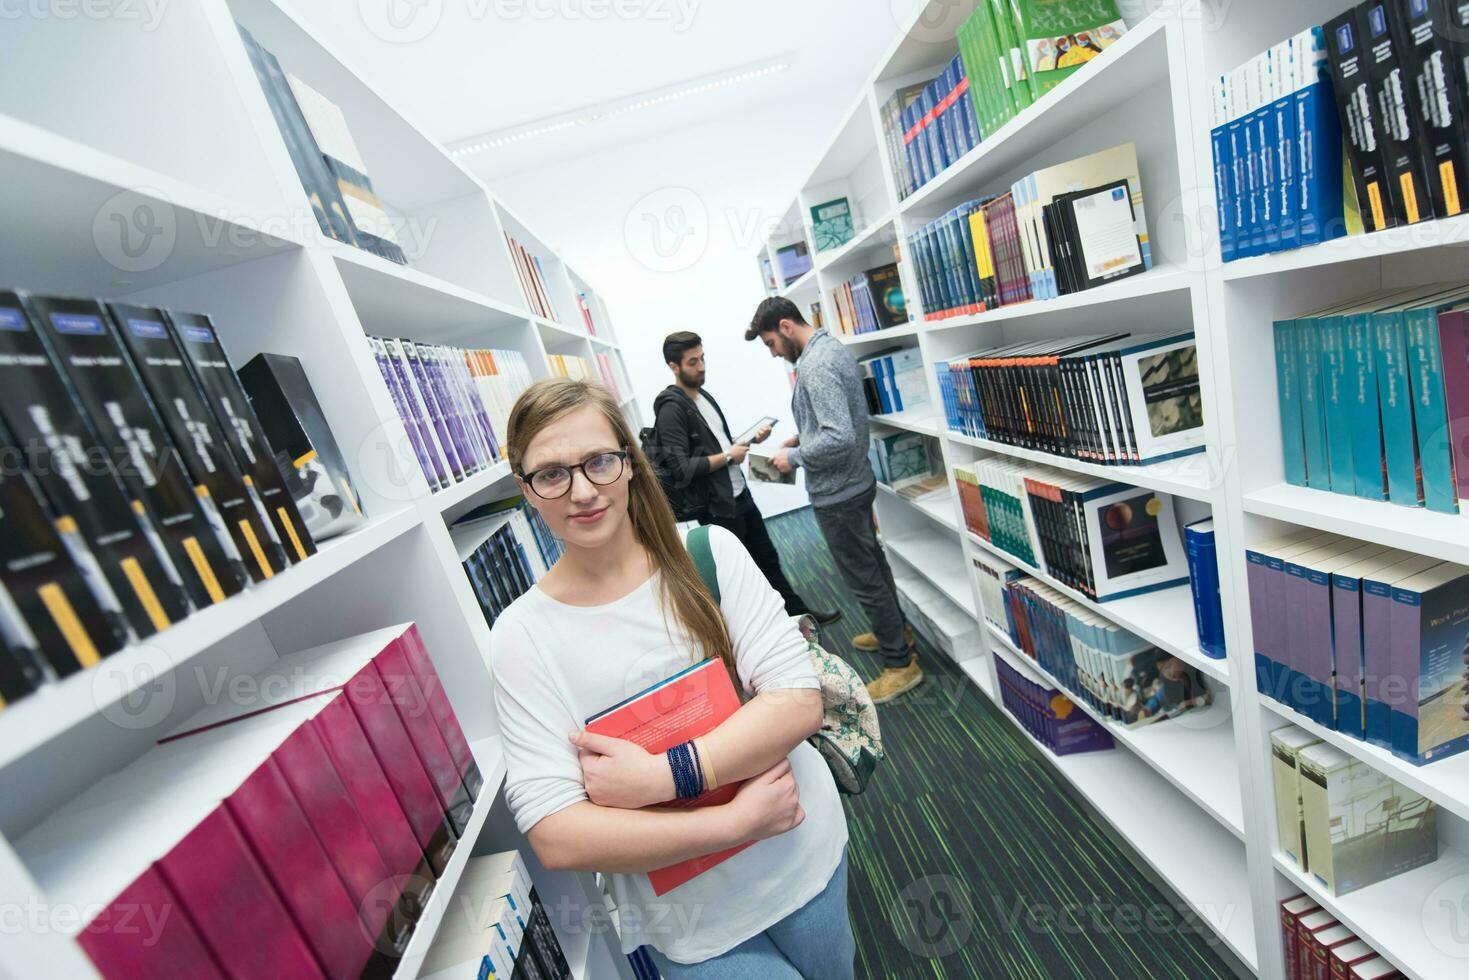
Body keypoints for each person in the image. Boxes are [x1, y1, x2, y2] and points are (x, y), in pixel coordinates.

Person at [490, 377, 854, 979]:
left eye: (599, 462)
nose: (581, 491)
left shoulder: (709, 554)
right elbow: (557, 834)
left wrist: (661, 777)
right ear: (525, 489)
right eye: (551, 474)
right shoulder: (520, 637)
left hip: (801, 849)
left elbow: (796, 702)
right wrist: (733, 823)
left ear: (630, 464)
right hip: (694, 920)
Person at [745, 297, 922, 704]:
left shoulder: (815, 365)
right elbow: (834, 425)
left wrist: (793, 456)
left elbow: (838, 437)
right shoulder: (831, 348)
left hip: (837, 492)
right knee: (874, 566)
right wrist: (802, 437)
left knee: (865, 578)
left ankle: (901, 664)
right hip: (855, 482)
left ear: (786, 326)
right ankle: (895, 632)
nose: (773, 353)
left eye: (771, 343)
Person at [651, 330, 840, 626]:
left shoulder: (702, 395)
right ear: (674, 367)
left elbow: (717, 447)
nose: (701, 367)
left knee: (769, 561)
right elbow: (681, 468)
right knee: (742, 580)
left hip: (739, 496)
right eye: (692, 362)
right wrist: (729, 456)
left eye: (702, 358)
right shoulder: (671, 409)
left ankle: (799, 617)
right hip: (718, 509)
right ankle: (771, 632)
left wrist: (747, 440)